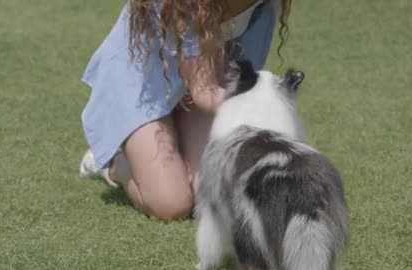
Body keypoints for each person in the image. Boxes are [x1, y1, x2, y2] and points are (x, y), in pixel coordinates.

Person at [79, 0, 293, 221]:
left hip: (197, 83)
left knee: (208, 195)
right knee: (172, 205)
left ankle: (168, 145)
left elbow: (238, 66)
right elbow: (206, 93)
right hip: (143, 84)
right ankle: (113, 161)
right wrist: (264, 104)